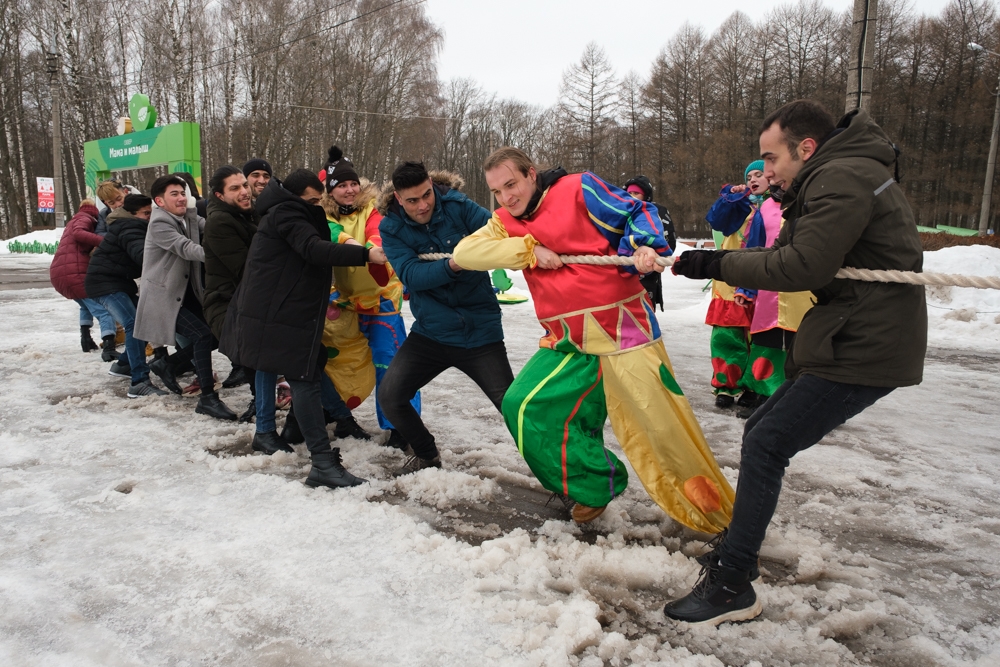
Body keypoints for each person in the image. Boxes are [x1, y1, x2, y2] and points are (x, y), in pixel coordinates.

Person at [665, 100, 926, 626]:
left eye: (771, 157)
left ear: (805, 149)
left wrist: (714, 263)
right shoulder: (825, 180)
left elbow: (802, 265)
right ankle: (737, 556)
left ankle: (733, 581)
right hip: (849, 332)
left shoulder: (842, 177)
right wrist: (710, 260)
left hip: (867, 342)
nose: (765, 170)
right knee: (763, 428)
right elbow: (778, 253)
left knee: (767, 439)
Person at [452, 147, 734, 530]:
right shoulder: (505, 222)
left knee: (661, 427)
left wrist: (643, 244)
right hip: (567, 340)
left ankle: (721, 520)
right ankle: (596, 484)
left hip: (624, 333)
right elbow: (466, 252)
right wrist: (529, 250)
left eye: (511, 184)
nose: (506, 197)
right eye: (497, 191)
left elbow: (638, 211)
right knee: (522, 406)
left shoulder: (578, 188)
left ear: (531, 174)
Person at [220, 169, 388, 488]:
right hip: (281, 315)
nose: (317, 205)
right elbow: (313, 249)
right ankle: (322, 462)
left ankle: (328, 429)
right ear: (298, 196)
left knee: (311, 371)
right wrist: (366, 254)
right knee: (305, 378)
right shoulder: (286, 213)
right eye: (312, 200)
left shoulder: (284, 211)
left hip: (282, 312)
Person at [378, 162, 515, 474]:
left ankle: (563, 483)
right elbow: (412, 275)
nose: (423, 204)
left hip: (480, 332)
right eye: (413, 200)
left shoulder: (458, 205)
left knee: (516, 410)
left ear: (431, 184)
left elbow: (502, 231)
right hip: (431, 333)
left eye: (427, 194)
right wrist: (457, 264)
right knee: (391, 396)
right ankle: (427, 454)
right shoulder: (391, 227)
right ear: (399, 199)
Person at [318, 145, 417, 447]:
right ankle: (332, 411)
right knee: (337, 361)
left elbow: (379, 231)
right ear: (331, 191)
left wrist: (374, 246)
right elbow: (331, 233)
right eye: (341, 186)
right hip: (343, 303)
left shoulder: (374, 207)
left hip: (381, 300)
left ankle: (400, 425)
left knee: (392, 364)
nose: (349, 190)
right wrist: (359, 249)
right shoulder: (321, 214)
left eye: (352, 184)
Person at [710, 164, 814, 419]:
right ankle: (753, 389)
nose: (755, 179)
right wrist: (733, 196)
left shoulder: (806, 202)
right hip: (756, 285)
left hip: (800, 287)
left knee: (797, 343)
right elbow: (751, 245)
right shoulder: (756, 207)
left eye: (760, 174)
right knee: (756, 340)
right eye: (750, 176)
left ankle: (798, 396)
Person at [134, 174, 237, 420]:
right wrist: (224, 256)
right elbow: (186, 248)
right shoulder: (160, 223)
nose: (181, 198)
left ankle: (167, 365)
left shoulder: (185, 216)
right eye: (175, 194)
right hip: (164, 296)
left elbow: (208, 227)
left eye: (183, 193)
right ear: (159, 201)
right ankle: (208, 399)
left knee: (214, 333)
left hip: (186, 293)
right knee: (202, 335)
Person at [85, 194, 167, 396]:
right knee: (134, 325)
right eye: (146, 213)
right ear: (132, 214)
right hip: (105, 284)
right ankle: (139, 381)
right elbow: (143, 256)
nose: (150, 217)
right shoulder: (131, 228)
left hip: (117, 282)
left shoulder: (131, 225)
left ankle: (124, 366)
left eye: (152, 212)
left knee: (142, 320)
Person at [202, 165, 258, 412]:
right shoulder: (220, 222)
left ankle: (262, 404)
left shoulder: (246, 214)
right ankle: (261, 410)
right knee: (255, 353)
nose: (244, 191)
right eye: (234, 188)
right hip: (226, 304)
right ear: (219, 195)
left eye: (245, 185)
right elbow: (248, 269)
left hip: (244, 300)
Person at [49, 199, 119, 359]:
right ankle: (109, 347)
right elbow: (79, 234)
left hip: (60, 273)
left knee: (86, 305)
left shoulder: (74, 220)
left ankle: (86, 339)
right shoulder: (85, 219)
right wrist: (106, 242)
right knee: (104, 310)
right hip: (75, 272)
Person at [623, 175, 676, 312]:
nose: (632, 196)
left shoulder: (658, 212)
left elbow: (670, 240)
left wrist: (656, 255)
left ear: (645, 195)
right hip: (625, 270)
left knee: (646, 314)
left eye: (636, 193)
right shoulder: (622, 212)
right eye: (629, 193)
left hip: (649, 271)